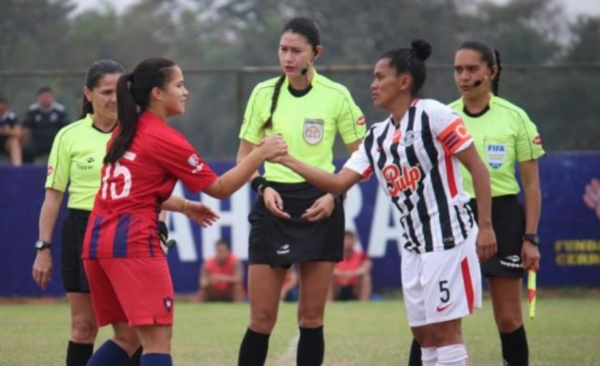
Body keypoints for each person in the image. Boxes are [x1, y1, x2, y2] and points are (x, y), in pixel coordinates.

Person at [272, 39, 496, 366]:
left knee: (447, 333)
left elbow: (478, 168)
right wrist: (287, 159)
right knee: (424, 337)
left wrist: (486, 226)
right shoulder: (376, 136)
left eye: (380, 77)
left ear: (404, 82)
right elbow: (337, 182)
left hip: (448, 238)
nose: (373, 85)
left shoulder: (434, 114)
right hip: (413, 246)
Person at [80, 57, 286, 366]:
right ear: (157, 94)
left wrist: (185, 206)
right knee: (157, 342)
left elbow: (133, 192)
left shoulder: (124, 131)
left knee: (126, 339)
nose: (186, 92)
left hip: (97, 242)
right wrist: (261, 153)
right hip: (133, 244)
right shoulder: (164, 138)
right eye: (179, 85)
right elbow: (219, 188)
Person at [30, 60, 184, 366]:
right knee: (83, 327)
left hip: (128, 231)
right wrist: (43, 247)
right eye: (105, 92)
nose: (114, 99)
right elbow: (53, 198)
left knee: (138, 326)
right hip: (82, 230)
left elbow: (157, 190)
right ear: (88, 94)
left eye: (119, 91)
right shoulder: (69, 136)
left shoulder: (141, 131)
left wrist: (160, 227)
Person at [235, 17, 366, 366]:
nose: (287, 57)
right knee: (261, 320)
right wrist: (262, 187)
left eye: (296, 50)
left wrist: (334, 195)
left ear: (316, 54)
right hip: (272, 204)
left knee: (311, 318)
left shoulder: (337, 96)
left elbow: (362, 158)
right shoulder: (263, 93)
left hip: (321, 204)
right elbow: (244, 159)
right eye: (283, 49)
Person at [22, 86, 69, 163]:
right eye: (43, 97)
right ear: (38, 98)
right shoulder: (32, 110)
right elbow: (26, 128)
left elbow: (66, 129)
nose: (46, 99)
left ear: (53, 98)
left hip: (55, 142)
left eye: (48, 96)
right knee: (26, 151)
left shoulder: (60, 110)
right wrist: (23, 143)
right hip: (36, 143)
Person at [331, 230, 372, 302]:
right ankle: (328, 303)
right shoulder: (334, 255)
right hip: (338, 287)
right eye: (345, 239)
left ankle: (364, 303)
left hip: (355, 287)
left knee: (366, 278)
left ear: (355, 241)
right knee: (328, 278)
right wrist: (342, 274)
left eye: (350, 239)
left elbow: (365, 268)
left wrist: (352, 274)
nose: (347, 242)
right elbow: (329, 270)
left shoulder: (361, 255)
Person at [0, 94, 22, 166]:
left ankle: (17, 168)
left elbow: (18, 132)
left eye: (2, 109)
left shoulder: (11, 116)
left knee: (14, 141)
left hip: (6, 143)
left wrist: (5, 131)